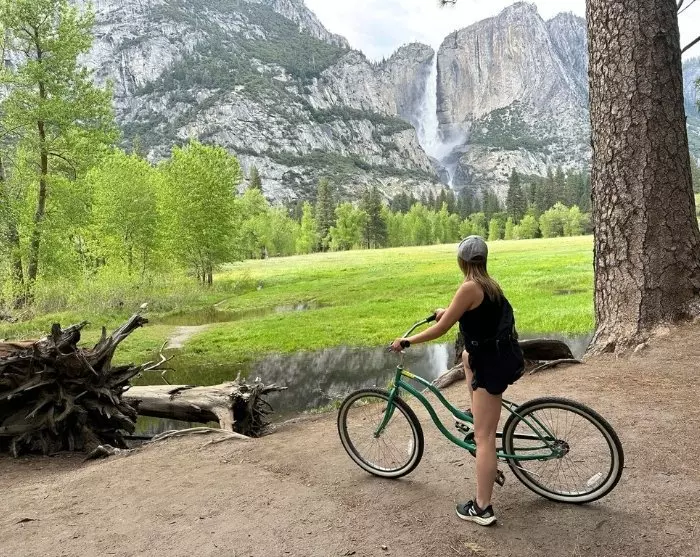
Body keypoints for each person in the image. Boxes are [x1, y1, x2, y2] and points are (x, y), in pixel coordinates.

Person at [391, 235, 524, 527]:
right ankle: (476, 411)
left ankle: (482, 508)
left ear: (461, 261)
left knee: (484, 439)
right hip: (500, 356)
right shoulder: (489, 285)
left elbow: (441, 329)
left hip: (491, 365)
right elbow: (470, 315)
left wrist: (407, 341)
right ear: (484, 259)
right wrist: (447, 312)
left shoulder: (469, 287)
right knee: (465, 356)